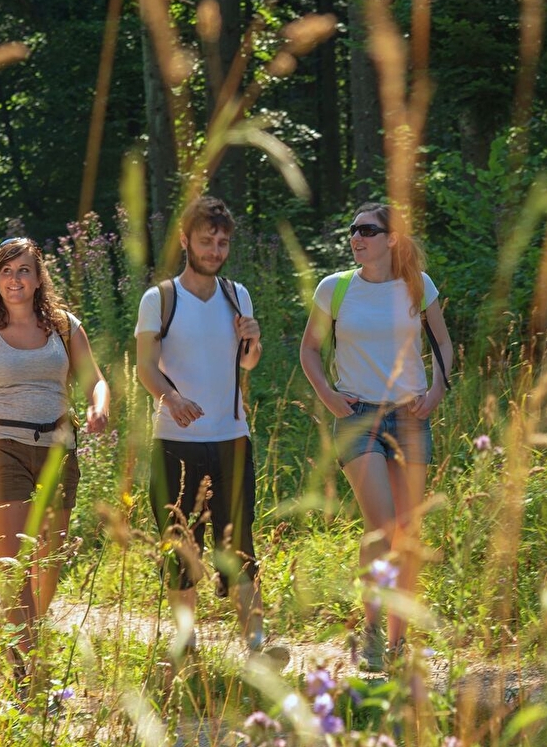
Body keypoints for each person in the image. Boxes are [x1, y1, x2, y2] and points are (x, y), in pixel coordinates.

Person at [298, 201, 454, 672]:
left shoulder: (417, 285)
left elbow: (443, 343)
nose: (356, 237)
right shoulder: (335, 288)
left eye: (367, 230)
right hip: (357, 417)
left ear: (392, 238)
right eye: (353, 230)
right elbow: (309, 349)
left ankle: (398, 642)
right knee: (383, 527)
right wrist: (328, 396)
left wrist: (437, 390)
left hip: (410, 418)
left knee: (405, 533)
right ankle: (370, 630)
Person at [0, 236, 110, 681]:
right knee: (15, 565)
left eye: (23, 270)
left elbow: (95, 379)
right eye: (6, 270)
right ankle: (27, 669)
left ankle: (23, 642)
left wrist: (99, 405)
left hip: (58, 449)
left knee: (48, 566)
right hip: (2, 449)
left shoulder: (64, 327)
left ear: (39, 279)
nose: (14, 279)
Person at [134, 195, 281, 663]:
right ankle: (186, 645)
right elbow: (145, 367)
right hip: (175, 441)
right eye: (206, 241)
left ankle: (256, 648)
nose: (215, 251)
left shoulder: (237, 295)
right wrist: (172, 398)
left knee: (239, 545)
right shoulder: (160, 299)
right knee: (181, 547)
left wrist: (253, 341)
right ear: (185, 241)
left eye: (222, 243)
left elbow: (248, 363)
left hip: (232, 438)